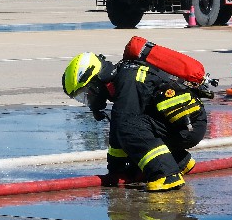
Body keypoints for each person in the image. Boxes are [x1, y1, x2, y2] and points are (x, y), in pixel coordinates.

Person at [61, 50, 206, 191]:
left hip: (188, 127)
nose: (88, 99)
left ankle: (166, 175)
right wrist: (117, 171)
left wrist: (118, 169)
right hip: (180, 125)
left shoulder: (128, 79)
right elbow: (118, 130)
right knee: (126, 124)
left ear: (95, 81)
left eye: (86, 93)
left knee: (127, 125)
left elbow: (124, 127)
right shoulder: (123, 77)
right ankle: (179, 161)